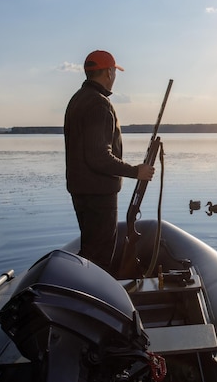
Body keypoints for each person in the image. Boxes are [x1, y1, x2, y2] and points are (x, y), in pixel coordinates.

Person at [64, 50, 154, 272]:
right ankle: (95, 301)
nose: (114, 76)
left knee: (89, 252)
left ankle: (84, 295)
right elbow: (99, 157)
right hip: (98, 195)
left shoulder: (77, 99)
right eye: (114, 71)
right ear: (107, 72)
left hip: (82, 191)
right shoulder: (99, 104)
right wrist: (136, 172)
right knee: (100, 259)